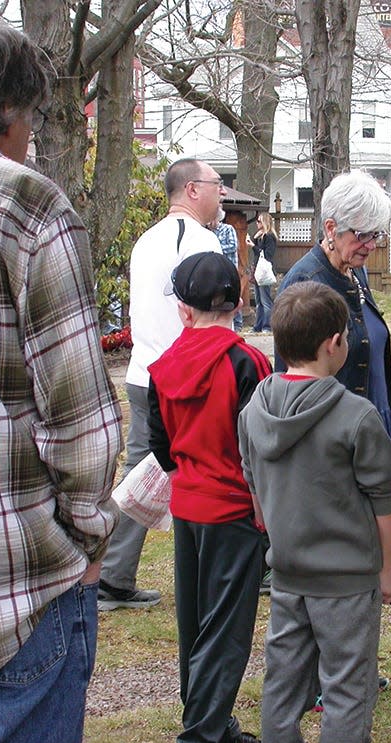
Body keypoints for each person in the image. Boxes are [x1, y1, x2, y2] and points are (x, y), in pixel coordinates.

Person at [0, 16, 123, 743]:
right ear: (10, 111)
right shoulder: (25, 204)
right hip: (18, 590)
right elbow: (82, 423)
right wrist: (87, 540)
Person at [239, 282, 391, 743]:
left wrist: (273, 523)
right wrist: (386, 569)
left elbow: (255, 488)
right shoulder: (356, 416)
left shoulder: (253, 412)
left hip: (288, 575)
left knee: (282, 686)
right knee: (348, 691)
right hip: (348, 581)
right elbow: (385, 501)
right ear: (334, 343)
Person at [148, 251, 271, 743]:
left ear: (183, 308)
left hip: (189, 506)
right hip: (236, 511)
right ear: (239, 303)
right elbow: (260, 446)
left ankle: (212, 725)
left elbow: (159, 445)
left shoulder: (162, 366)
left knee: (196, 623)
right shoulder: (249, 362)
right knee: (225, 632)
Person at [98, 157, 226, 611]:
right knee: (209, 471)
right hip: (187, 378)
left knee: (140, 472)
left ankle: (113, 575)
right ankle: (220, 569)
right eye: (216, 184)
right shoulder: (201, 241)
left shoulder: (144, 242)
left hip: (142, 371)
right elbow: (207, 314)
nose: (222, 193)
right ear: (192, 190)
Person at [278, 170, 391, 475]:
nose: (371, 244)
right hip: (334, 446)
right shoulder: (305, 283)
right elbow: (290, 380)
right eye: (362, 234)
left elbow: (376, 359)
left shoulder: (355, 272)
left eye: (376, 234)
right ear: (331, 228)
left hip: (374, 429)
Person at [213, 211, 243, 332]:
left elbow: (233, 246)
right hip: (217, 270)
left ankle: (238, 324)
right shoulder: (210, 232)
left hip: (230, 269)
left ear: (217, 219)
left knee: (234, 295)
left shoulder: (228, 229)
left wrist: (216, 247)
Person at [249, 211, 277, 333]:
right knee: (259, 301)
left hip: (264, 271)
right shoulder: (260, 236)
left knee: (265, 301)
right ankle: (258, 325)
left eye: (259, 221)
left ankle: (267, 326)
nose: (257, 223)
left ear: (264, 222)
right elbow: (257, 253)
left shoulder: (269, 236)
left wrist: (253, 246)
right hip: (257, 271)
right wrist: (254, 241)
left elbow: (267, 255)